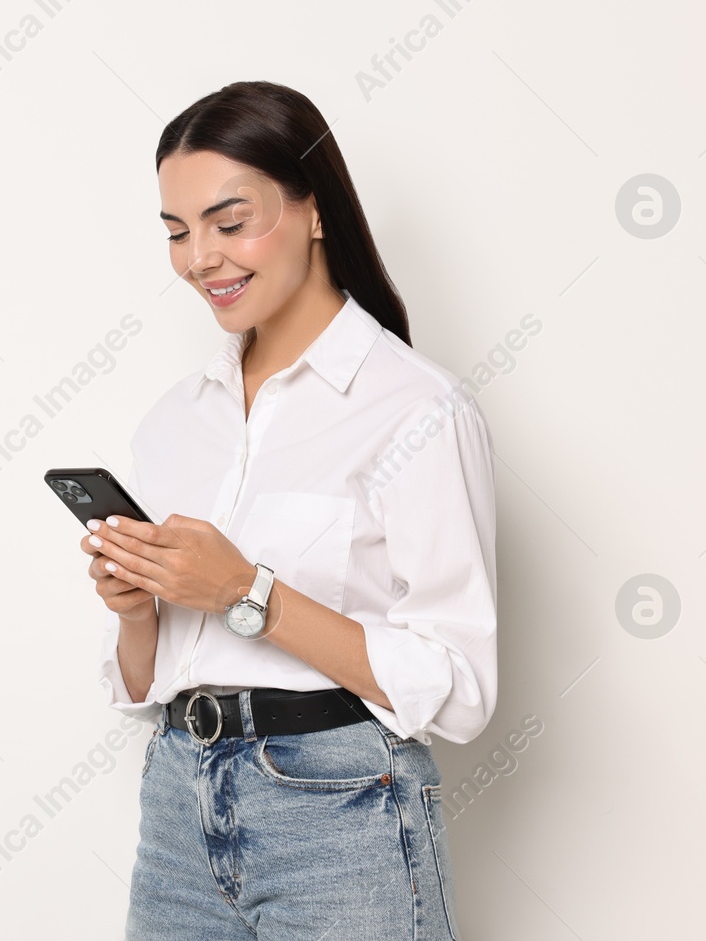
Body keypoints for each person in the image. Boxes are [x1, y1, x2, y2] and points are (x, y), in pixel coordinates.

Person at [85, 80, 497, 940]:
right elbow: (145, 679)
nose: (200, 258)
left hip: (340, 809)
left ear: (314, 211)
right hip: (176, 803)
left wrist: (249, 591)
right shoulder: (176, 422)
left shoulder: (415, 411)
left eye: (229, 223)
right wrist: (136, 614)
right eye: (176, 231)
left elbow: (460, 690)